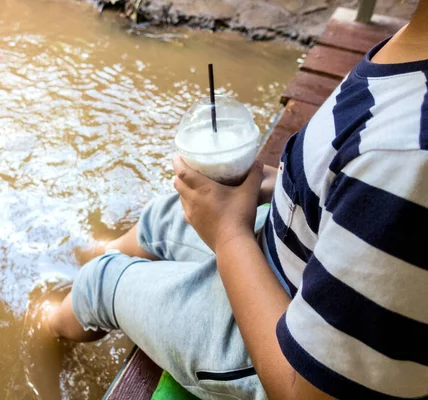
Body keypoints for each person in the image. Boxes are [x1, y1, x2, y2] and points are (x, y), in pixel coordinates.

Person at [46, 2, 428, 399]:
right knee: (162, 216)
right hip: (292, 252)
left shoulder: (407, 155)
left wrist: (229, 236)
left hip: (274, 344)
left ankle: (49, 319)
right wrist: (276, 183)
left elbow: (304, 390)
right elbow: (352, 192)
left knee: (100, 280)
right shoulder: (410, 53)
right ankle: (97, 251)